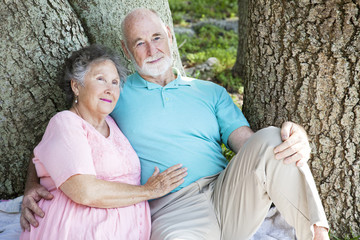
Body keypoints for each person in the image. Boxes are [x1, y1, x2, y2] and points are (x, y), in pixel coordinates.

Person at [21, 8, 330, 240]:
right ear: (127, 50)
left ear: (169, 34)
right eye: (139, 43)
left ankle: (316, 233)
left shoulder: (209, 91)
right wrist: (33, 186)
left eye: (156, 37)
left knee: (273, 137)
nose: (152, 49)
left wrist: (294, 136)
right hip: (171, 207)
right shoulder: (115, 94)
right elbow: (64, 139)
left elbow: (252, 146)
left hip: (227, 191)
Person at [19, 44, 187, 239]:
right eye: (101, 79)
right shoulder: (66, 122)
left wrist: (31, 183)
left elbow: (42, 152)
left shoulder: (112, 123)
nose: (110, 89)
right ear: (76, 86)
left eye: (115, 82)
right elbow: (85, 191)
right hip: (75, 230)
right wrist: (149, 191)